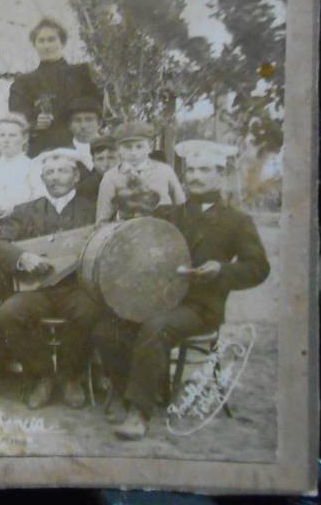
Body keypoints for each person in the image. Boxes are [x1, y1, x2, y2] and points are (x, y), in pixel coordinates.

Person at [93, 140, 270, 440]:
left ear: (222, 175)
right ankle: (126, 391)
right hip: (156, 299)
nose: (196, 176)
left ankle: (139, 412)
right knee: (105, 328)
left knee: (155, 327)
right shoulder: (168, 214)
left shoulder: (237, 222)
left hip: (200, 307)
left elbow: (258, 268)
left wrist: (222, 270)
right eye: (192, 170)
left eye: (205, 170)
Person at [0, 148, 102, 410]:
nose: (55, 177)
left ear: (76, 177)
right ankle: (42, 375)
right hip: (36, 289)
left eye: (62, 171)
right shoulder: (24, 211)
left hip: (77, 288)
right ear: (42, 178)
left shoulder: (94, 211)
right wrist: (22, 257)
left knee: (92, 311)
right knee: (7, 315)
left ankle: (70, 376)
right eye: (49, 172)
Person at [8, 18, 102, 156]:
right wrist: (35, 123)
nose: (47, 46)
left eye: (52, 40)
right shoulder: (23, 82)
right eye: (41, 41)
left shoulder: (82, 74)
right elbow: (18, 117)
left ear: (62, 42)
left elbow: (99, 108)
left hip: (80, 144)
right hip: (42, 147)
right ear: (35, 45)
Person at [95, 121, 186, 223]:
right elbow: (102, 219)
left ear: (150, 147)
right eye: (127, 147)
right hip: (127, 233)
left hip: (162, 231)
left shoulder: (165, 171)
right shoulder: (111, 177)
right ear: (118, 149)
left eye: (139, 146)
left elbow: (181, 206)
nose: (134, 153)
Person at [0, 114, 43, 233]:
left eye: (12, 135)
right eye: (2, 135)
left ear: (24, 138)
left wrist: (15, 210)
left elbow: (40, 203)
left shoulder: (33, 166)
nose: (6, 140)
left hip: (20, 229)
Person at [67, 97, 104, 170]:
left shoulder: (113, 149)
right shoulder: (64, 153)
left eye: (89, 120)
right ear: (70, 125)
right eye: (77, 120)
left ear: (99, 123)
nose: (83, 126)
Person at [77, 135, 117, 203]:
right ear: (93, 161)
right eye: (100, 159)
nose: (106, 164)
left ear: (120, 158)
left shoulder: (129, 182)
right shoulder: (85, 189)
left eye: (111, 158)